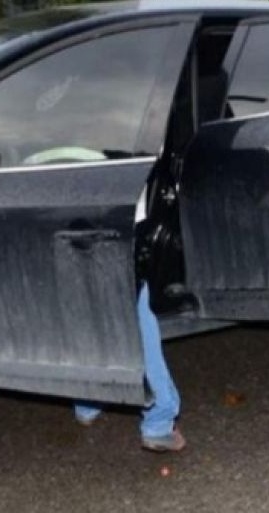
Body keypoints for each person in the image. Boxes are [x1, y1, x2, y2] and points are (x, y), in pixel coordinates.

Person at [74, 192, 185, 452]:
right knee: (136, 309)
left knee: (92, 304)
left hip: (74, 210)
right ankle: (159, 419)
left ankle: (88, 400)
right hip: (117, 206)